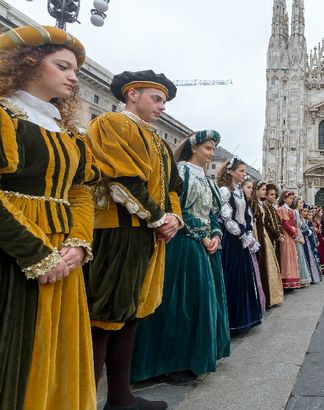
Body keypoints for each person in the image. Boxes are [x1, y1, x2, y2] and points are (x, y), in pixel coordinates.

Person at [0, 26, 99, 410]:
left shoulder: (66, 132)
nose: (74, 77)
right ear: (27, 64)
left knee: (58, 345)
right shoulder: (6, 117)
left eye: (74, 69)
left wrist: (77, 241)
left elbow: (80, 190)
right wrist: (35, 252)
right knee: (19, 344)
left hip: (63, 251)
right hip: (19, 250)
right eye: (63, 66)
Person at [86, 69, 183, 410]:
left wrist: (174, 218)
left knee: (132, 312)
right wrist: (159, 218)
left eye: (164, 101)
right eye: (156, 99)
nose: (162, 107)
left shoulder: (157, 141)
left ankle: (119, 398)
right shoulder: (113, 125)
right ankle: (84, 401)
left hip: (147, 233)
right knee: (105, 315)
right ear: (132, 95)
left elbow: (174, 187)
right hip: (117, 230)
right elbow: (122, 178)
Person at [131, 130, 230, 385]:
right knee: (179, 304)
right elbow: (176, 209)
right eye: (208, 148)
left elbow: (211, 215)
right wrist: (202, 236)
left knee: (199, 303)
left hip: (204, 247)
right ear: (194, 147)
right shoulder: (181, 172)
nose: (211, 153)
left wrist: (216, 234)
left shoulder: (207, 180)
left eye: (213, 149)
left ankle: (191, 358)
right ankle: (167, 361)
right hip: (183, 246)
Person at [218, 158, 263, 332]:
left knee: (244, 277)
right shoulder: (225, 191)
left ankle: (245, 318)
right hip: (231, 240)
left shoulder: (240, 192)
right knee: (233, 277)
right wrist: (242, 235)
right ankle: (232, 321)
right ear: (230, 171)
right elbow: (226, 217)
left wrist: (250, 233)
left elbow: (247, 215)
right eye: (241, 171)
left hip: (242, 240)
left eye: (244, 171)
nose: (244, 174)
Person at [251, 181, 284, 307]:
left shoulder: (266, 206)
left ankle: (271, 296)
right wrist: (276, 234)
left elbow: (277, 222)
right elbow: (265, 223)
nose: (266, 193)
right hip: (261, 236)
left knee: (270, 265)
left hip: (266, 237)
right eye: (264, 190)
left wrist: (279, 233)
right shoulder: (259, 205)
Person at [242, 179, 266, 311]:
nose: (250, 190)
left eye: (252, 187)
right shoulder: (250, 203)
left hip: (255, 234)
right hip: (247, 236)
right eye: (248, 187)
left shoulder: (255, 204)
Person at [277, 191, 302, 288]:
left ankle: (292, 280)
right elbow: (285, 224)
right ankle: (286, 280)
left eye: (292, 199)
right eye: (290, 198)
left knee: (291, 256)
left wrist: (295, 232)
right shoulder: (282, 209)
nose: (292, 200)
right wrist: (294, 234)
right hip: (286, 235)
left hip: (291, 236)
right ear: (284, 198)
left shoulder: (289, 210)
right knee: (286, 257)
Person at [292, 198, 313, 287]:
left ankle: (302, 279)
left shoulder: (297, 213)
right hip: (298, 237)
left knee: (301, 256)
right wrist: (299, 237)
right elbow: (296, 227)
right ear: (296, 203)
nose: (302, 204)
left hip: (300, 236)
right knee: (299, 256)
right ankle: (300, 279)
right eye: (300, 202)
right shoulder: (295, 213)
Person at [300, 205, 323, 284]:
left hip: (311, 242)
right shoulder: (304, 221)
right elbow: (301, 230)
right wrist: (308, 232)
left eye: (309, 213)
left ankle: (315, 276)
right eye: (306, 212)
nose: (309, 215)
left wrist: (314, 238)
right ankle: (311, 276)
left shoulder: (309, 222)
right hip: (306, 242)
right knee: (309, 258)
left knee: (314, 258)